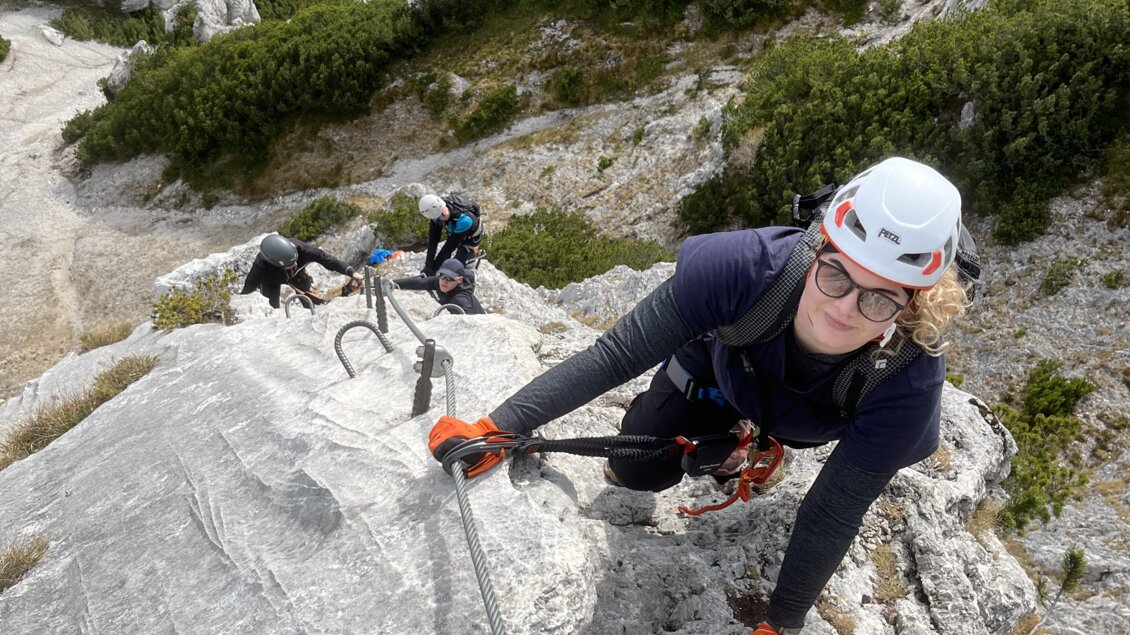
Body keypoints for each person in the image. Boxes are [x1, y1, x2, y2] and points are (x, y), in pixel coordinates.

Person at [427, 157, 970, 634]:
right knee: (636, 469)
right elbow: (616, 355)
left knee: (737, 446)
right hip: (719, 371)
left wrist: (781, 624)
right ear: (818, 250)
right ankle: (724, 439)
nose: (845, 308)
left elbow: (832, 512)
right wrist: (496, 427)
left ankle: (750, 449)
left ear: (911, 305)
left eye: (879, 300)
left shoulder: (906, 380)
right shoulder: (743, 270)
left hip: (801, 420)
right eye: (836, 276)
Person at [240, 234, 363, 309]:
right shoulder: (260, 269)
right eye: (290, 265)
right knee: (272, 305)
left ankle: (312, 312)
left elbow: (327, 260)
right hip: (273, 280)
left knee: (308, 296)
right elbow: (247, 290)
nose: (295, 264)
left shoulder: (302, 250)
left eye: (295, 261)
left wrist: (352, 272)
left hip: (298, 275)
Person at [419, 193, 483, 276]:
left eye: (442, 214)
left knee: (457, 267)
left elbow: (448, 248)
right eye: (438, 217)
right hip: (455, 230)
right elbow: (433, 241)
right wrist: (428, 265)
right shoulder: (436, 217)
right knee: (441, 266)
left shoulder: (465, 220)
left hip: (471, 237)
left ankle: (470, 255)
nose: (441, 218)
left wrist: (434, 269)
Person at [393, 258, 485, 315]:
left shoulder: (459, 299)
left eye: (450, 278)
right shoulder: (440, 281)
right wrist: (392, 283)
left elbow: (471, 319)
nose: (444, 281)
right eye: (442, 275)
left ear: (459, 280)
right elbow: (419, 283)